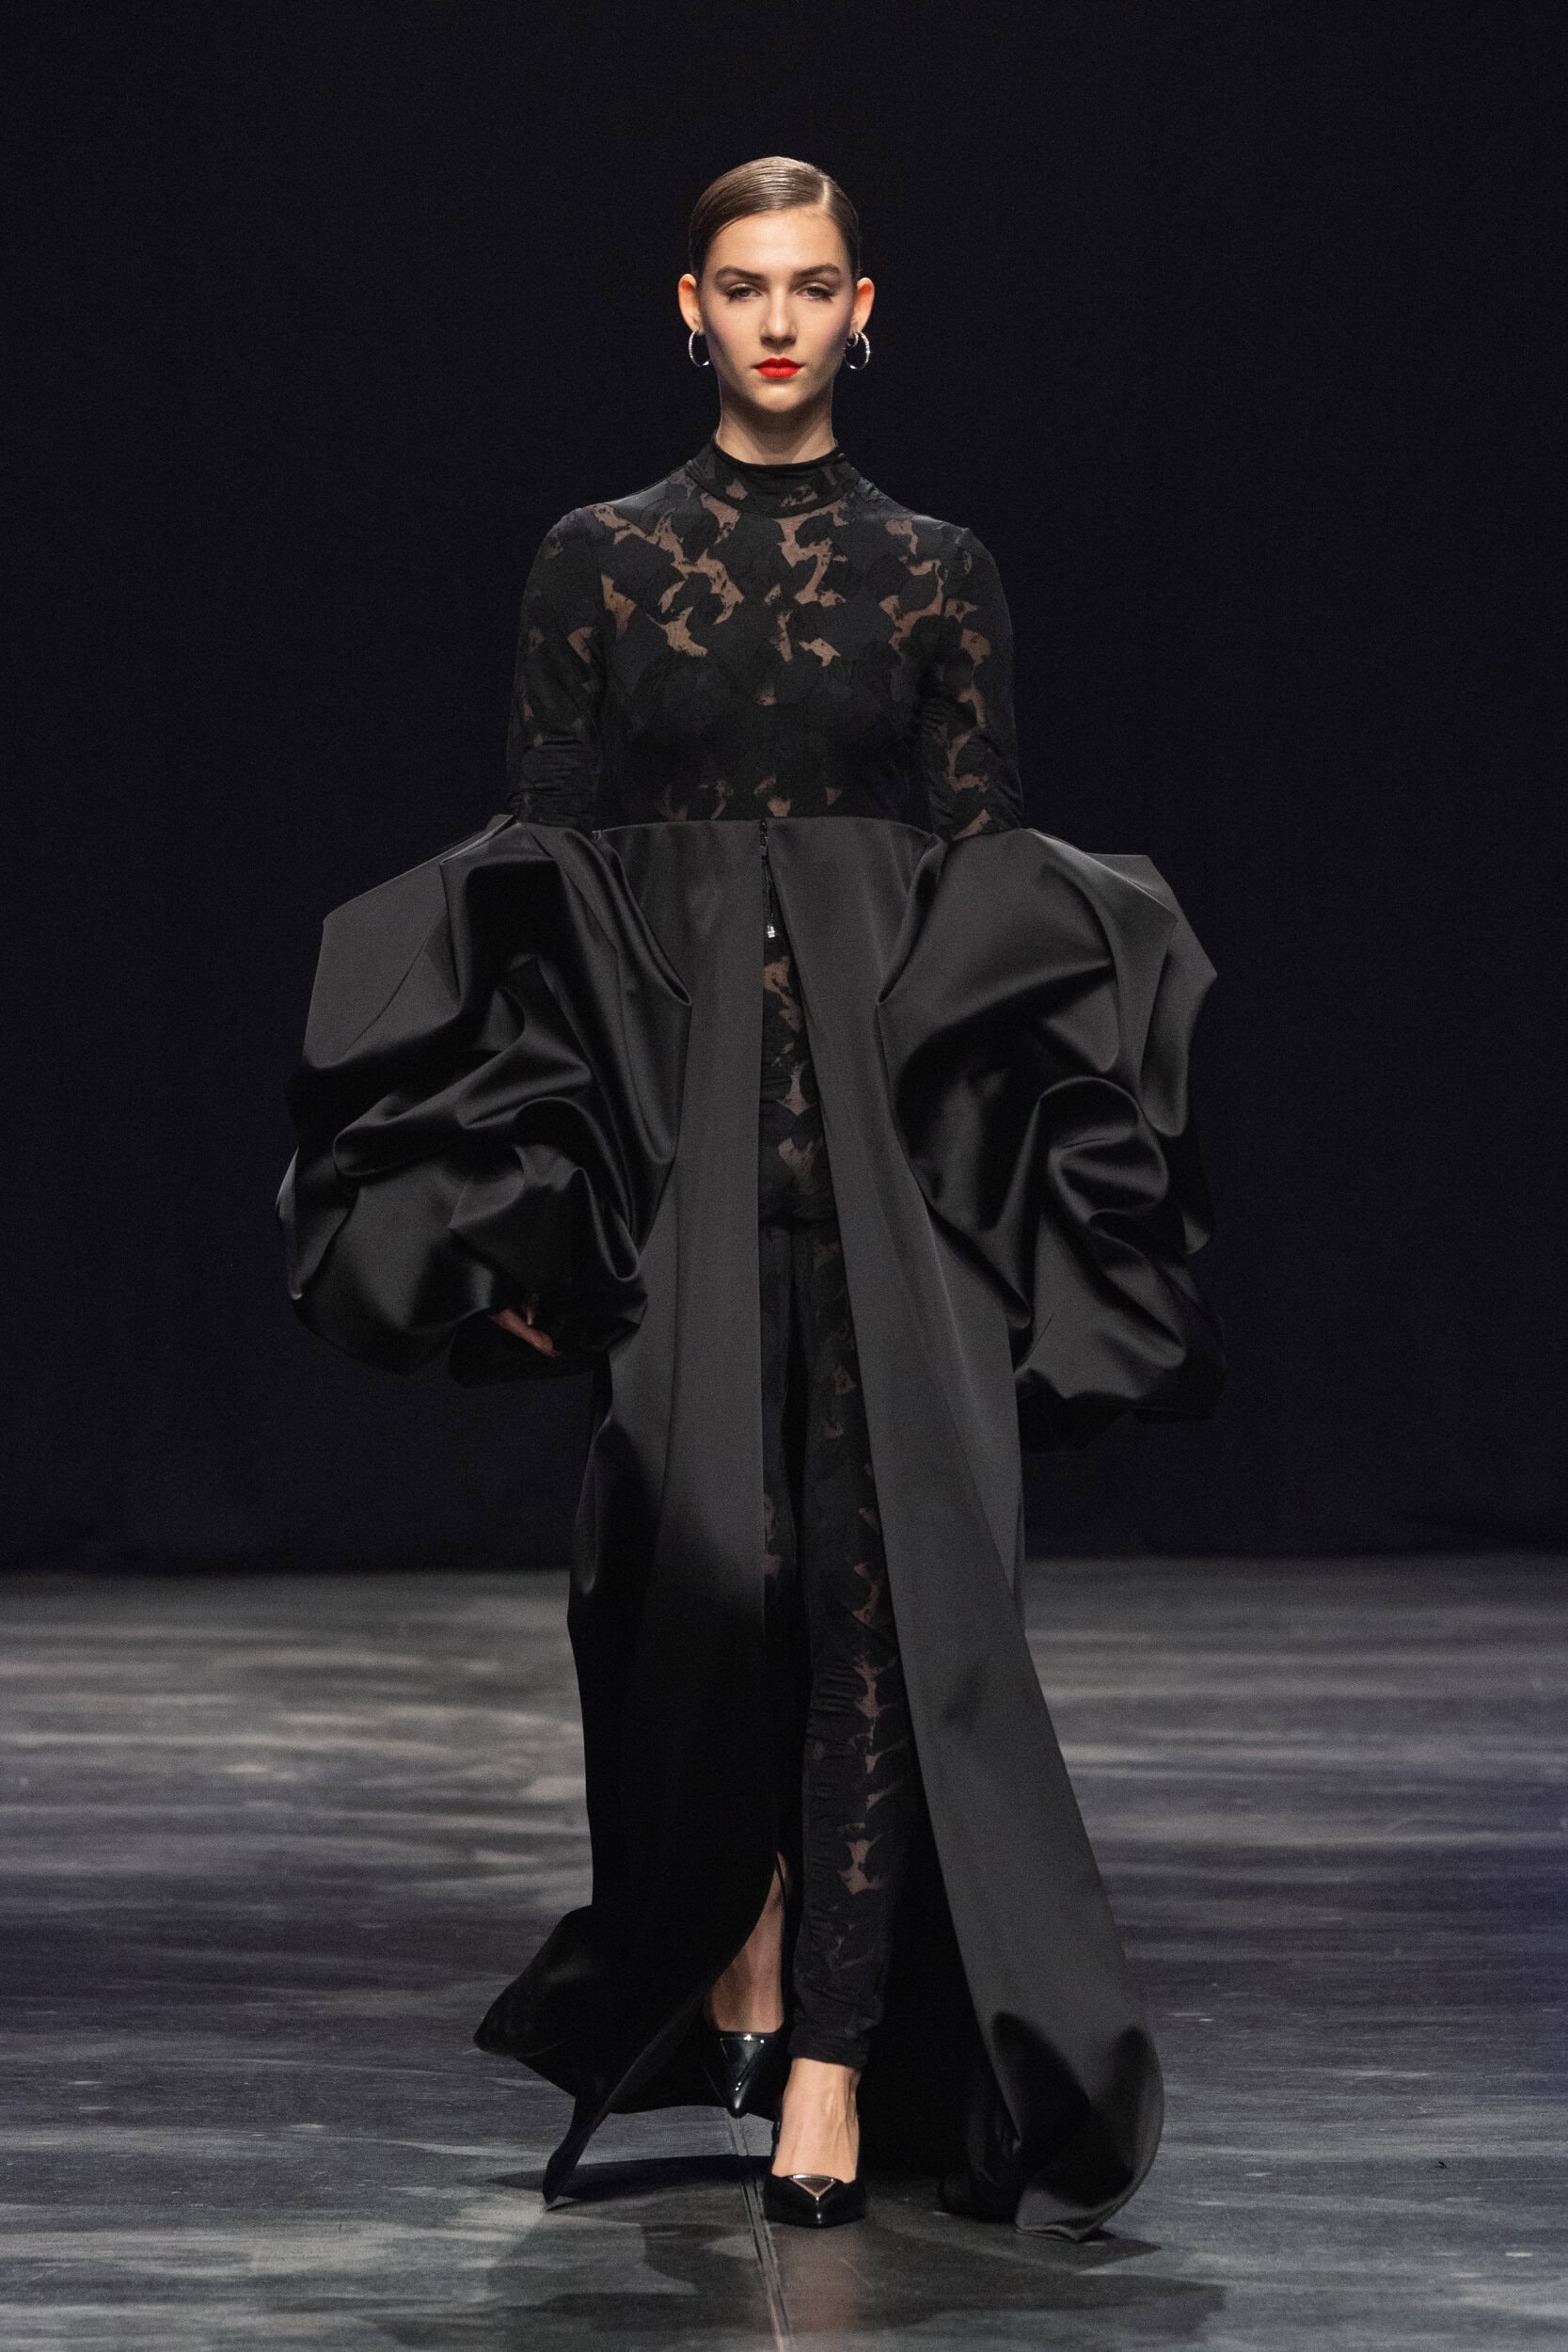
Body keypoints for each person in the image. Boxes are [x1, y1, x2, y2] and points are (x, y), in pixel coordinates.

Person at [279, 156, 1224, 2233]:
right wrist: (536, 1196)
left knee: (888, 1596)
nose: (778, 320)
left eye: (811, 286)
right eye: (742, 285)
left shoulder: (938, 570)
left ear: (863, 308)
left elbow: (986, 884)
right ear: (687, 307)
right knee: (713, 1578)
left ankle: (831, 2061)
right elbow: (542, 886)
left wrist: (1013, 1188)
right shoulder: (598, 562)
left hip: (892, 1159)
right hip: (679, 1142)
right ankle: (745, 1925)